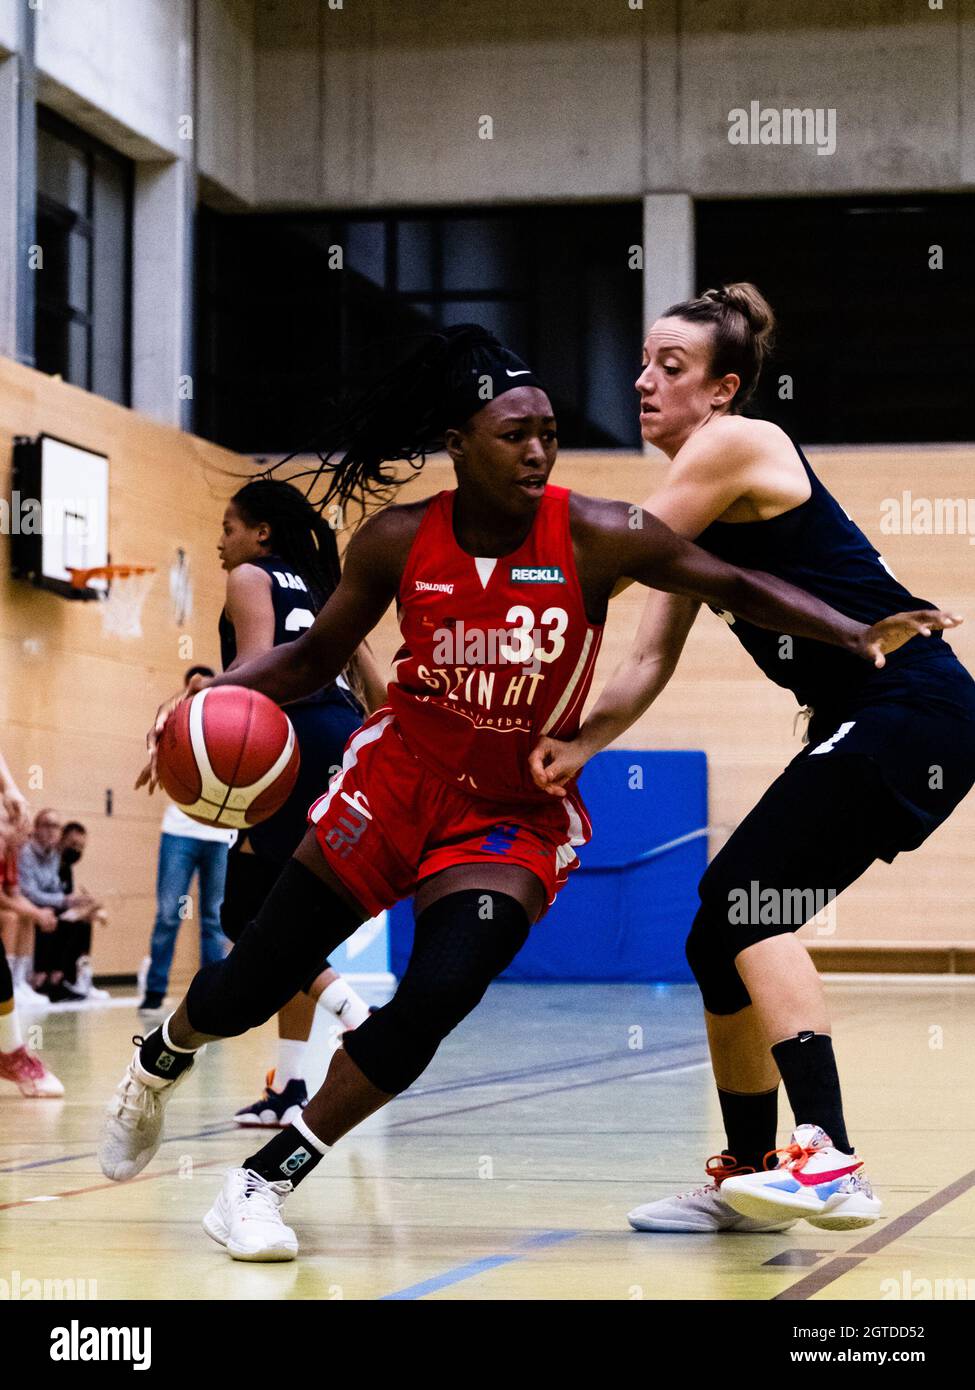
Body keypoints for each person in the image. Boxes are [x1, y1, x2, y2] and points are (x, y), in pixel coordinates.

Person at [98, 323, 951, 1262]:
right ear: (459, 445)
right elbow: (309, 659)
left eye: (548, 429)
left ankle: (262, 1181)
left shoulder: (599, 532)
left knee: (440, 993)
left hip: (507, 814)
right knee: (253, 980)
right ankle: (162, 1056)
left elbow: (736, 580)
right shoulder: (393, 539)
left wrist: (854, 631)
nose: (539, 448)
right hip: (395, 785)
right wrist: (205, 696)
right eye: (515, 433)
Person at [528, 283, 975, 1234]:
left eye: (671, 368)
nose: (644, 382)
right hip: (875, 718)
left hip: (910, 702)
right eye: (643, 363)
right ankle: (749, 1177)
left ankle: (828, 1159)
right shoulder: (695, 524)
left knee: (747, 900)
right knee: (713, 936)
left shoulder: (736, 445)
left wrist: (483, 574)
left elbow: (606, 554)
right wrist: (572, 745)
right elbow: (646, 662)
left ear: (724, 390)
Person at [210, 479, 383, 1126]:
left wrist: (189, 707)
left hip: (291, 733)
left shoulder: (251, 575)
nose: (219, 541)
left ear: (260, 533)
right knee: (287, 911)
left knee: (242, 914)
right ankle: (289, 1089)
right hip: (342, 734)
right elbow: (377, 686)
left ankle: (352, 1011)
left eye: (228, 526)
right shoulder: (327, 588)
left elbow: (261, 664)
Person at [140, 666, 235, 1015]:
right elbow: (157, 727)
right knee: (168, 914)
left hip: (220, 833)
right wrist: (185, 696)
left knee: (213, 918)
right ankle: (154, 992)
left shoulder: (228, 723)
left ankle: (214, 996)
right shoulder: (174, 724)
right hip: (179, 832)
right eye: (193, 686)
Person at [0, 806, 64, 1096]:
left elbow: (12, 895)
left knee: (22, 916)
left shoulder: (10, 854)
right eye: (9, 823)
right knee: (15, 917)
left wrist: (38, 913)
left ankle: (17, 983)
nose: (23, 834)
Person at [18, 809, 99, 1003]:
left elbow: (55, 887)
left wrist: (75, 902)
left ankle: (63, 978)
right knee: (50, 916)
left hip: (48, 905)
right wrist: (64, 900)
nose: (51, 831)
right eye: (47, 825)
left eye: (55, 827)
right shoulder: (26, 853)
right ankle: (39, 980)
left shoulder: (54, 855)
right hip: (27, 905)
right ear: (36, 828)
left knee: (80, 919)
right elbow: (29, 892)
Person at [56, 821, 110, 1001]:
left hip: (59, 913)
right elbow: (58, 901)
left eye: (80, 847)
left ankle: (81, 979)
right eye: (73, 845)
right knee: (80, 921)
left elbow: (67, 902)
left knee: (86, 922)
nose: (76, 850)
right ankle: (66, 979)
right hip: (46, 913)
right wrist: (86, 908)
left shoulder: (68, 869)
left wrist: (90, 909)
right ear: (61, 839)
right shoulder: (52, 864)